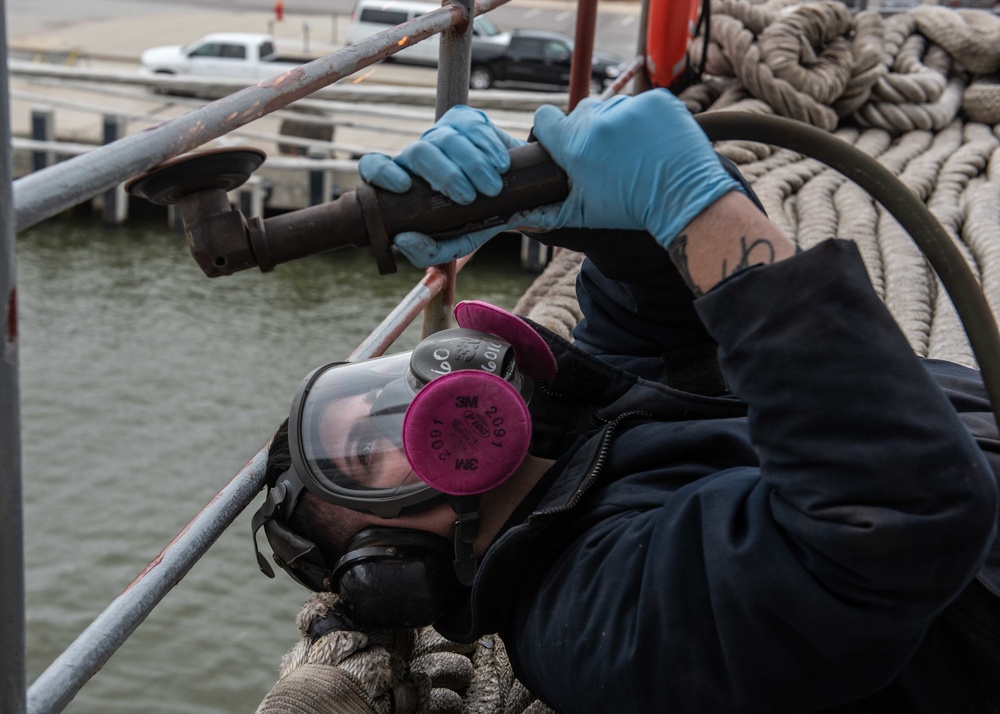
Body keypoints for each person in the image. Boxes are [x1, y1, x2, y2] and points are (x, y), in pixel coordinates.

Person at [252, 89, 1000, 712]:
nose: (411, 394)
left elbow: (654, 300)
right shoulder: (593, 619)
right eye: (370, 448)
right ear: (398, 562)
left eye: (379, 383)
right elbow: (893, 519)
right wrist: (690, 200)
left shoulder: (584, 420)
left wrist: (543, 201)